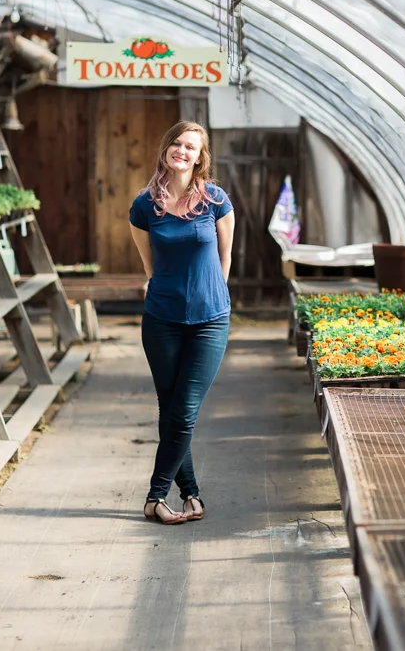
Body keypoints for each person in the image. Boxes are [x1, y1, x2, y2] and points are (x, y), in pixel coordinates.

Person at [128, 121, 234, 525]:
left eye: (191, 146)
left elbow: (225, 258)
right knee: (170, 406)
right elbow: (149, 263)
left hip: (210, 319)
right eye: (176, 142)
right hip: (162, 318)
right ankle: (190, 493)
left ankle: (155, 497)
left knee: (184, 409)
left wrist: (213, 296)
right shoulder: (144, 205)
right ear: (165, 148)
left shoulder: (216, 201)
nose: (182, 150)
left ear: (200, 156)